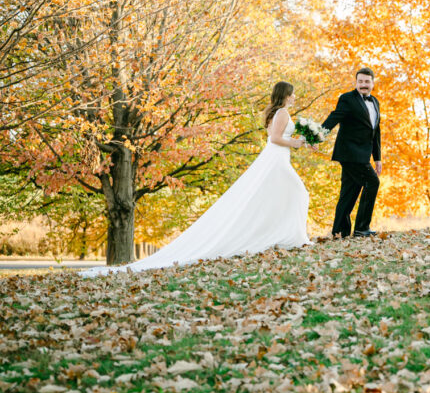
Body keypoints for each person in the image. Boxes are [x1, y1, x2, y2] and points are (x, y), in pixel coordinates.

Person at [82, 81, 311, 276]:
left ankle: (281, 233)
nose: (293, 97)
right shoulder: (282, 113)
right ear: (285, 94)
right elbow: (275, 138)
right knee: (299, 192)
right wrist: (296, 143)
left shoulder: (277, 112)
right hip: (277, 158)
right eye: (291, 94)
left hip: (278, 158)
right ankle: (290, 234)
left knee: (281, 195)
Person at [322, 67, 382, 238]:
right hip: (349, 153)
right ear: (356, 82)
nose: (363, 85)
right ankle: (362, 228)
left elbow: (376, 131)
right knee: (372, 182)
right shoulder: (347, 99)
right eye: (360, 81)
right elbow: (334, 117)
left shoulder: (375, 102)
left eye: (367, 81)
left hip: (362, 154)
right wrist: (318, 136)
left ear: (372, 83)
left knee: (349, 191)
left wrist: (377, 158)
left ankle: (340, 231)